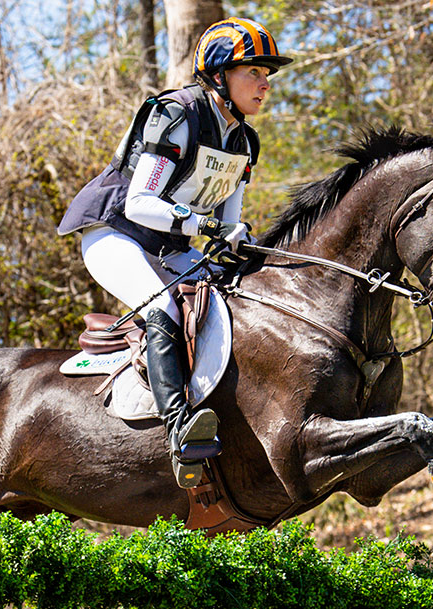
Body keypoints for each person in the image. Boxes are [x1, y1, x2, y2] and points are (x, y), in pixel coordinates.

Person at [57, 18, 292, 488]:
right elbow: (141, 202)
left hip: (168, 244)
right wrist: (205, 225)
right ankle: (179, 426)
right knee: (163, 303)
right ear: (220, 75)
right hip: (115, 232)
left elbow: (230, 217)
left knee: (233, 298)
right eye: (255, 73)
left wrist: (238, 237)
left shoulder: (244, 140)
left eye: (268, 75)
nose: (265, 85)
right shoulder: (177, 115)